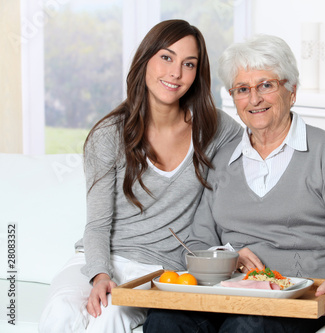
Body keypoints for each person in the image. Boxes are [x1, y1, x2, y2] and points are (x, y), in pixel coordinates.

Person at [143, 34, 325, 333]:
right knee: (163, 320)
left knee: (247, 327)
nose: (254, 99)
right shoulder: (222, 157)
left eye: (266, 85)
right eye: (242, 89)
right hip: (227, 295)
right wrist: (229, 257)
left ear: (291, 91)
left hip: (296, 299)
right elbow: (200, 241)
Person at [39, 19, 242, 333]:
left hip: (159, 269)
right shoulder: (109, 135)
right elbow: (97, 224)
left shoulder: (214, 128)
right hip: (97, 259)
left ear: (197, 75)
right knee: (61, 311)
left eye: (189, 64)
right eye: (166, 57)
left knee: (110, 315)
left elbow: (256, 157)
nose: (175, 73)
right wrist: (100, 275)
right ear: (145, 60)